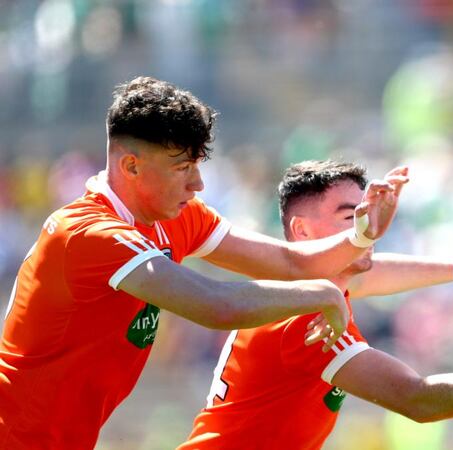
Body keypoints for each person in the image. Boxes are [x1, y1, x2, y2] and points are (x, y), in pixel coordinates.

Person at [0, 77, 408, 449]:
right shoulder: (88, 234)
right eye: (183, 167)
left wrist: (362, 236)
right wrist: (319, 294)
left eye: (197, 165)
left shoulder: (176, 216)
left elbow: (287, 260)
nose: (197, 183)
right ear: (131, 166)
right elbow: (214, 304)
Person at [177, 160, 453, 450]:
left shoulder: (307, 288)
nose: (365, 227)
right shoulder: (306, 317)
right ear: (301, 231)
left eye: (366, 211)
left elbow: (372, 273)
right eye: (349, 216)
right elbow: (416, 399)